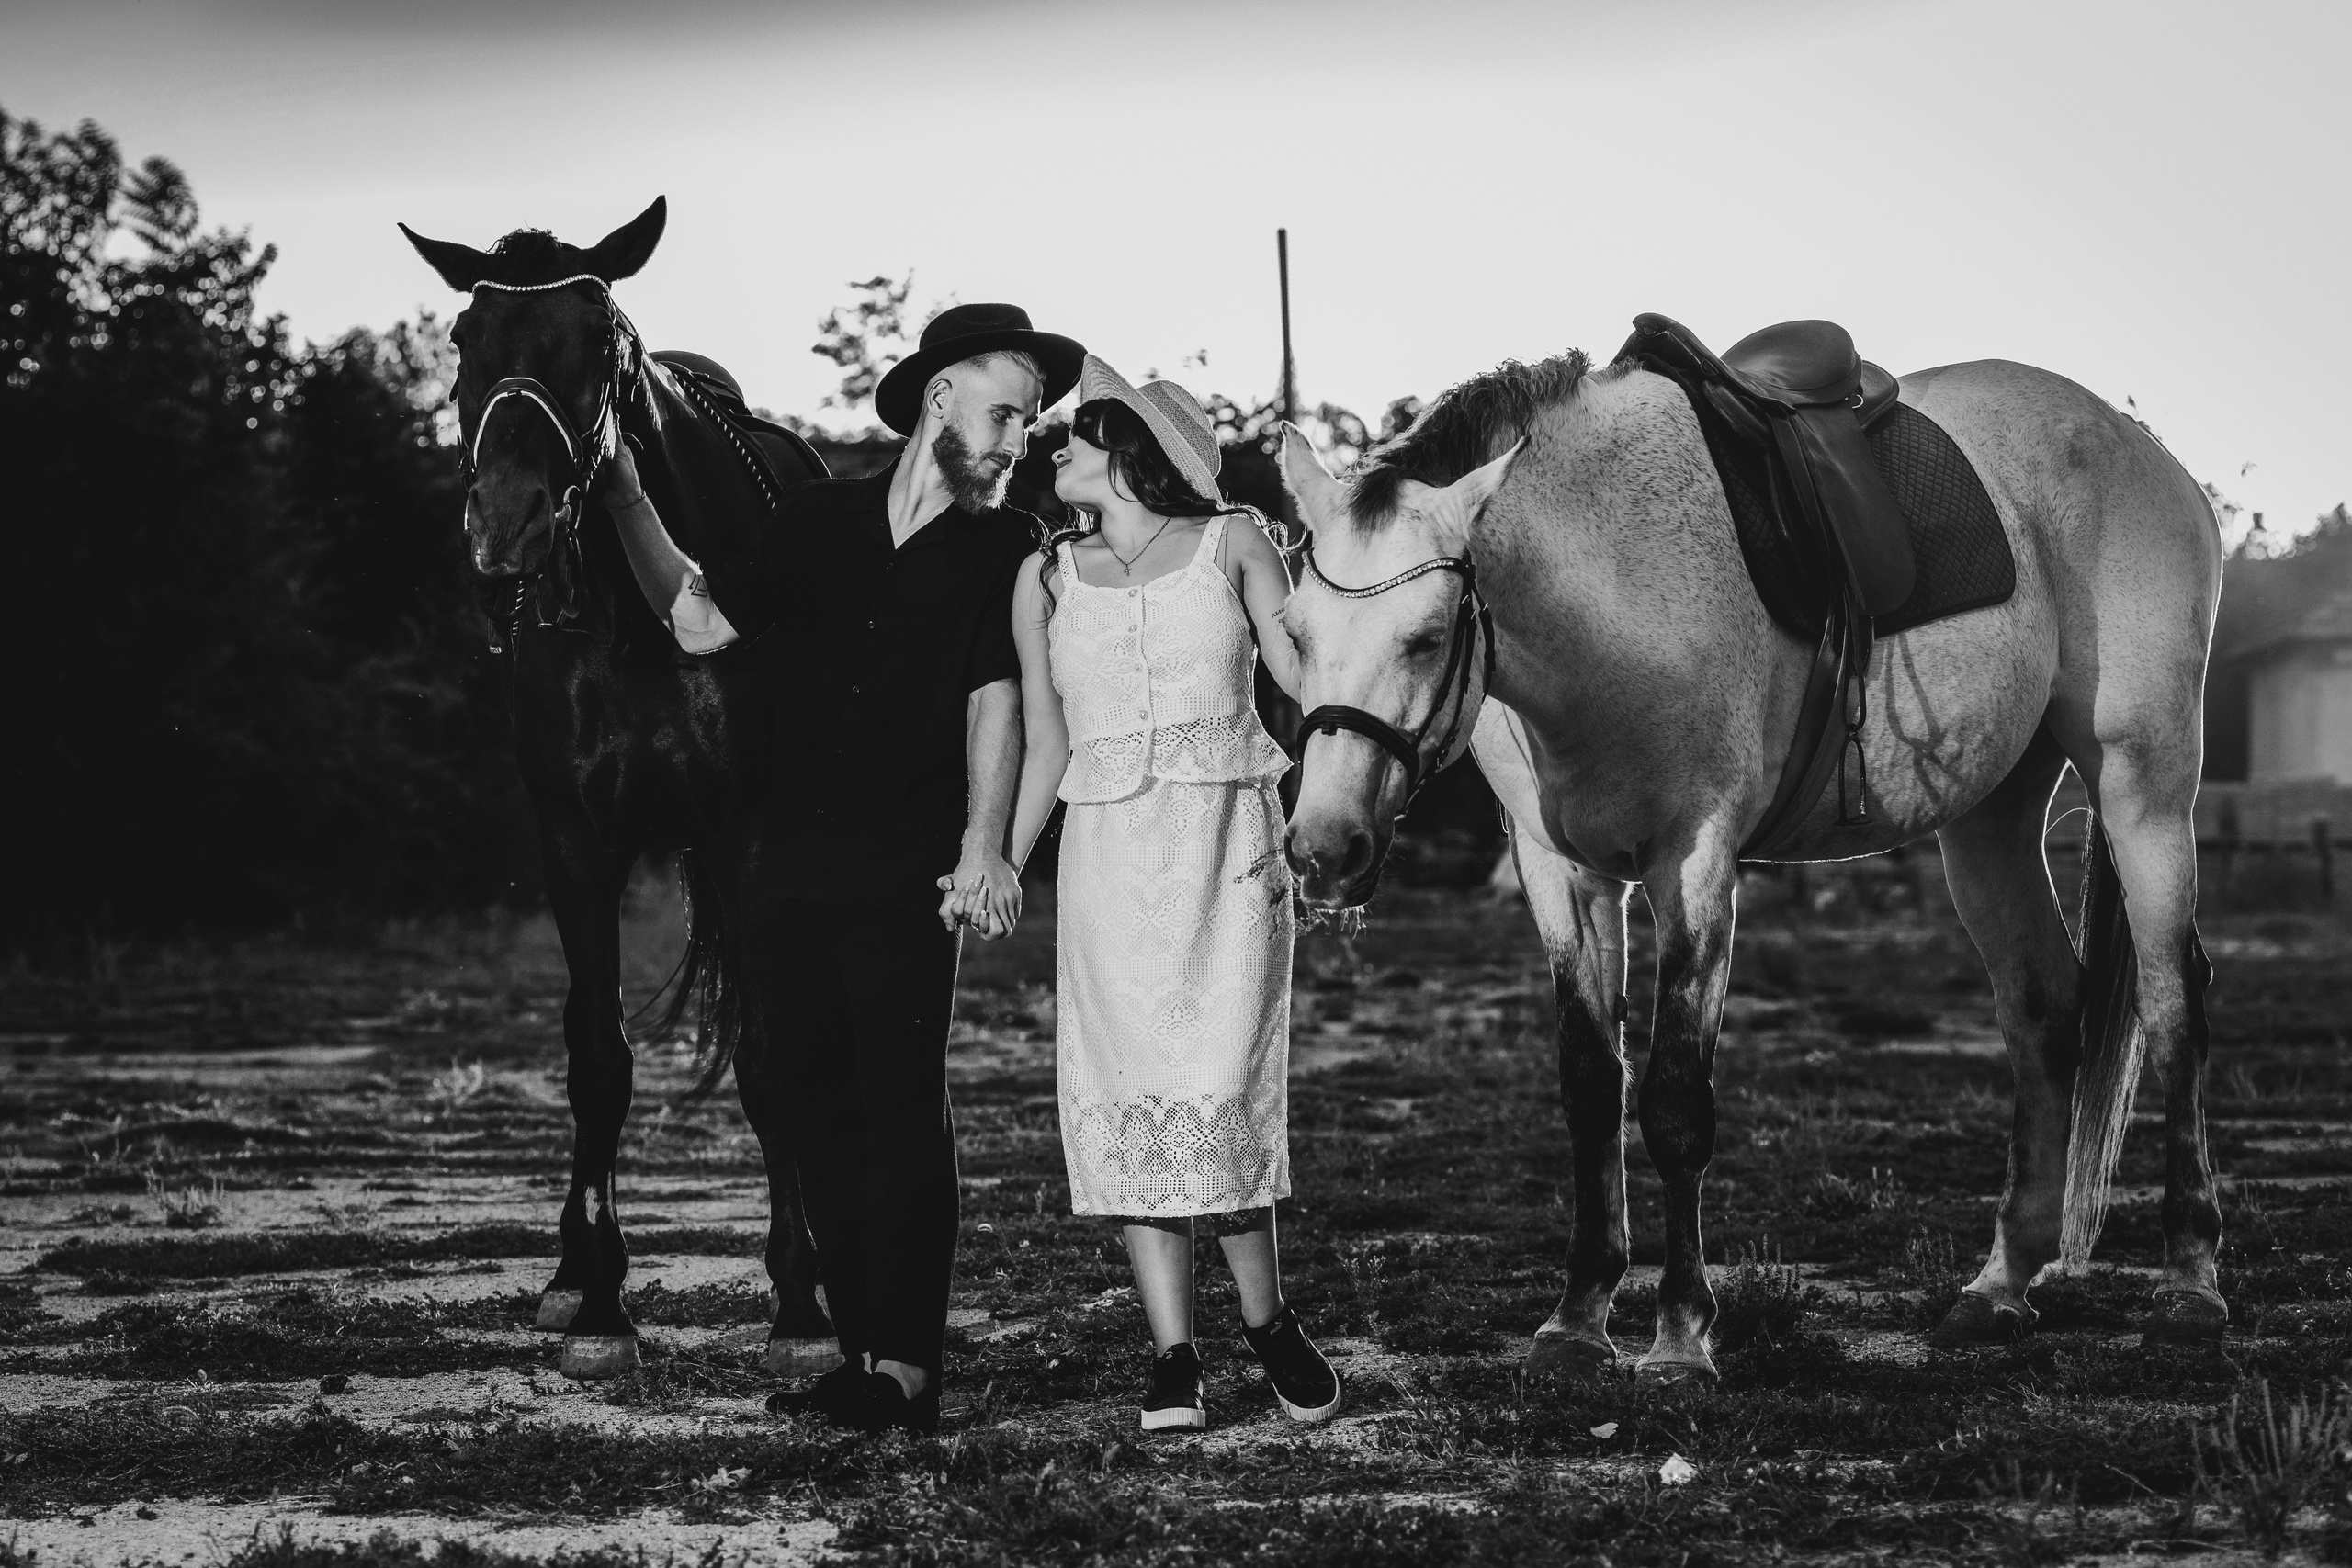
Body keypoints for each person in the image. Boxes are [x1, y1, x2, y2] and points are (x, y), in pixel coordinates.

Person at [598, 302, 1084, 1435]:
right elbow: (706, 624)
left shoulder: (999, 547)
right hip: (777, 865)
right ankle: (860, 1349)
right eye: (1007, 413)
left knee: (900, 1112)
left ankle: (909, 1364)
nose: (1021, 440)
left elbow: (994, 703)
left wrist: (981, 848)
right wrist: (623, 490)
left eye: (1032, 421)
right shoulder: (817, 521)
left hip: (905, 873)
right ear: (939, 400)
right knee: (816, 1110)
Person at [987, 355, 1342, 1432]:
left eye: (1078, 435)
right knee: (1133, 1091)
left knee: (1221, 1084)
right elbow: (1046, 742)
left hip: (1227, 848)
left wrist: (1325, 544)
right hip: (1106, 858)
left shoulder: (1234, 540)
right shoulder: (1043, 576)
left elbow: (1307, 675)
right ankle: (1174, 1356)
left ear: (1130, 452)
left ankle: (1269, 1323)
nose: (1057, 449)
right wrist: (1001, 856)